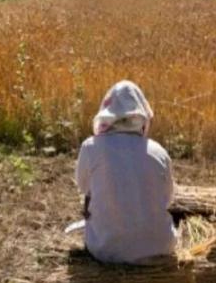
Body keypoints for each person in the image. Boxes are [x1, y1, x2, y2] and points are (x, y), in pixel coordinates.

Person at [74, 80, 177, 264]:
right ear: (142, 116)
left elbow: (84, 187)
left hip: (105, 250)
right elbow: (168, 199)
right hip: (161, 247)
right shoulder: (159, 152)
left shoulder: (90, 147)